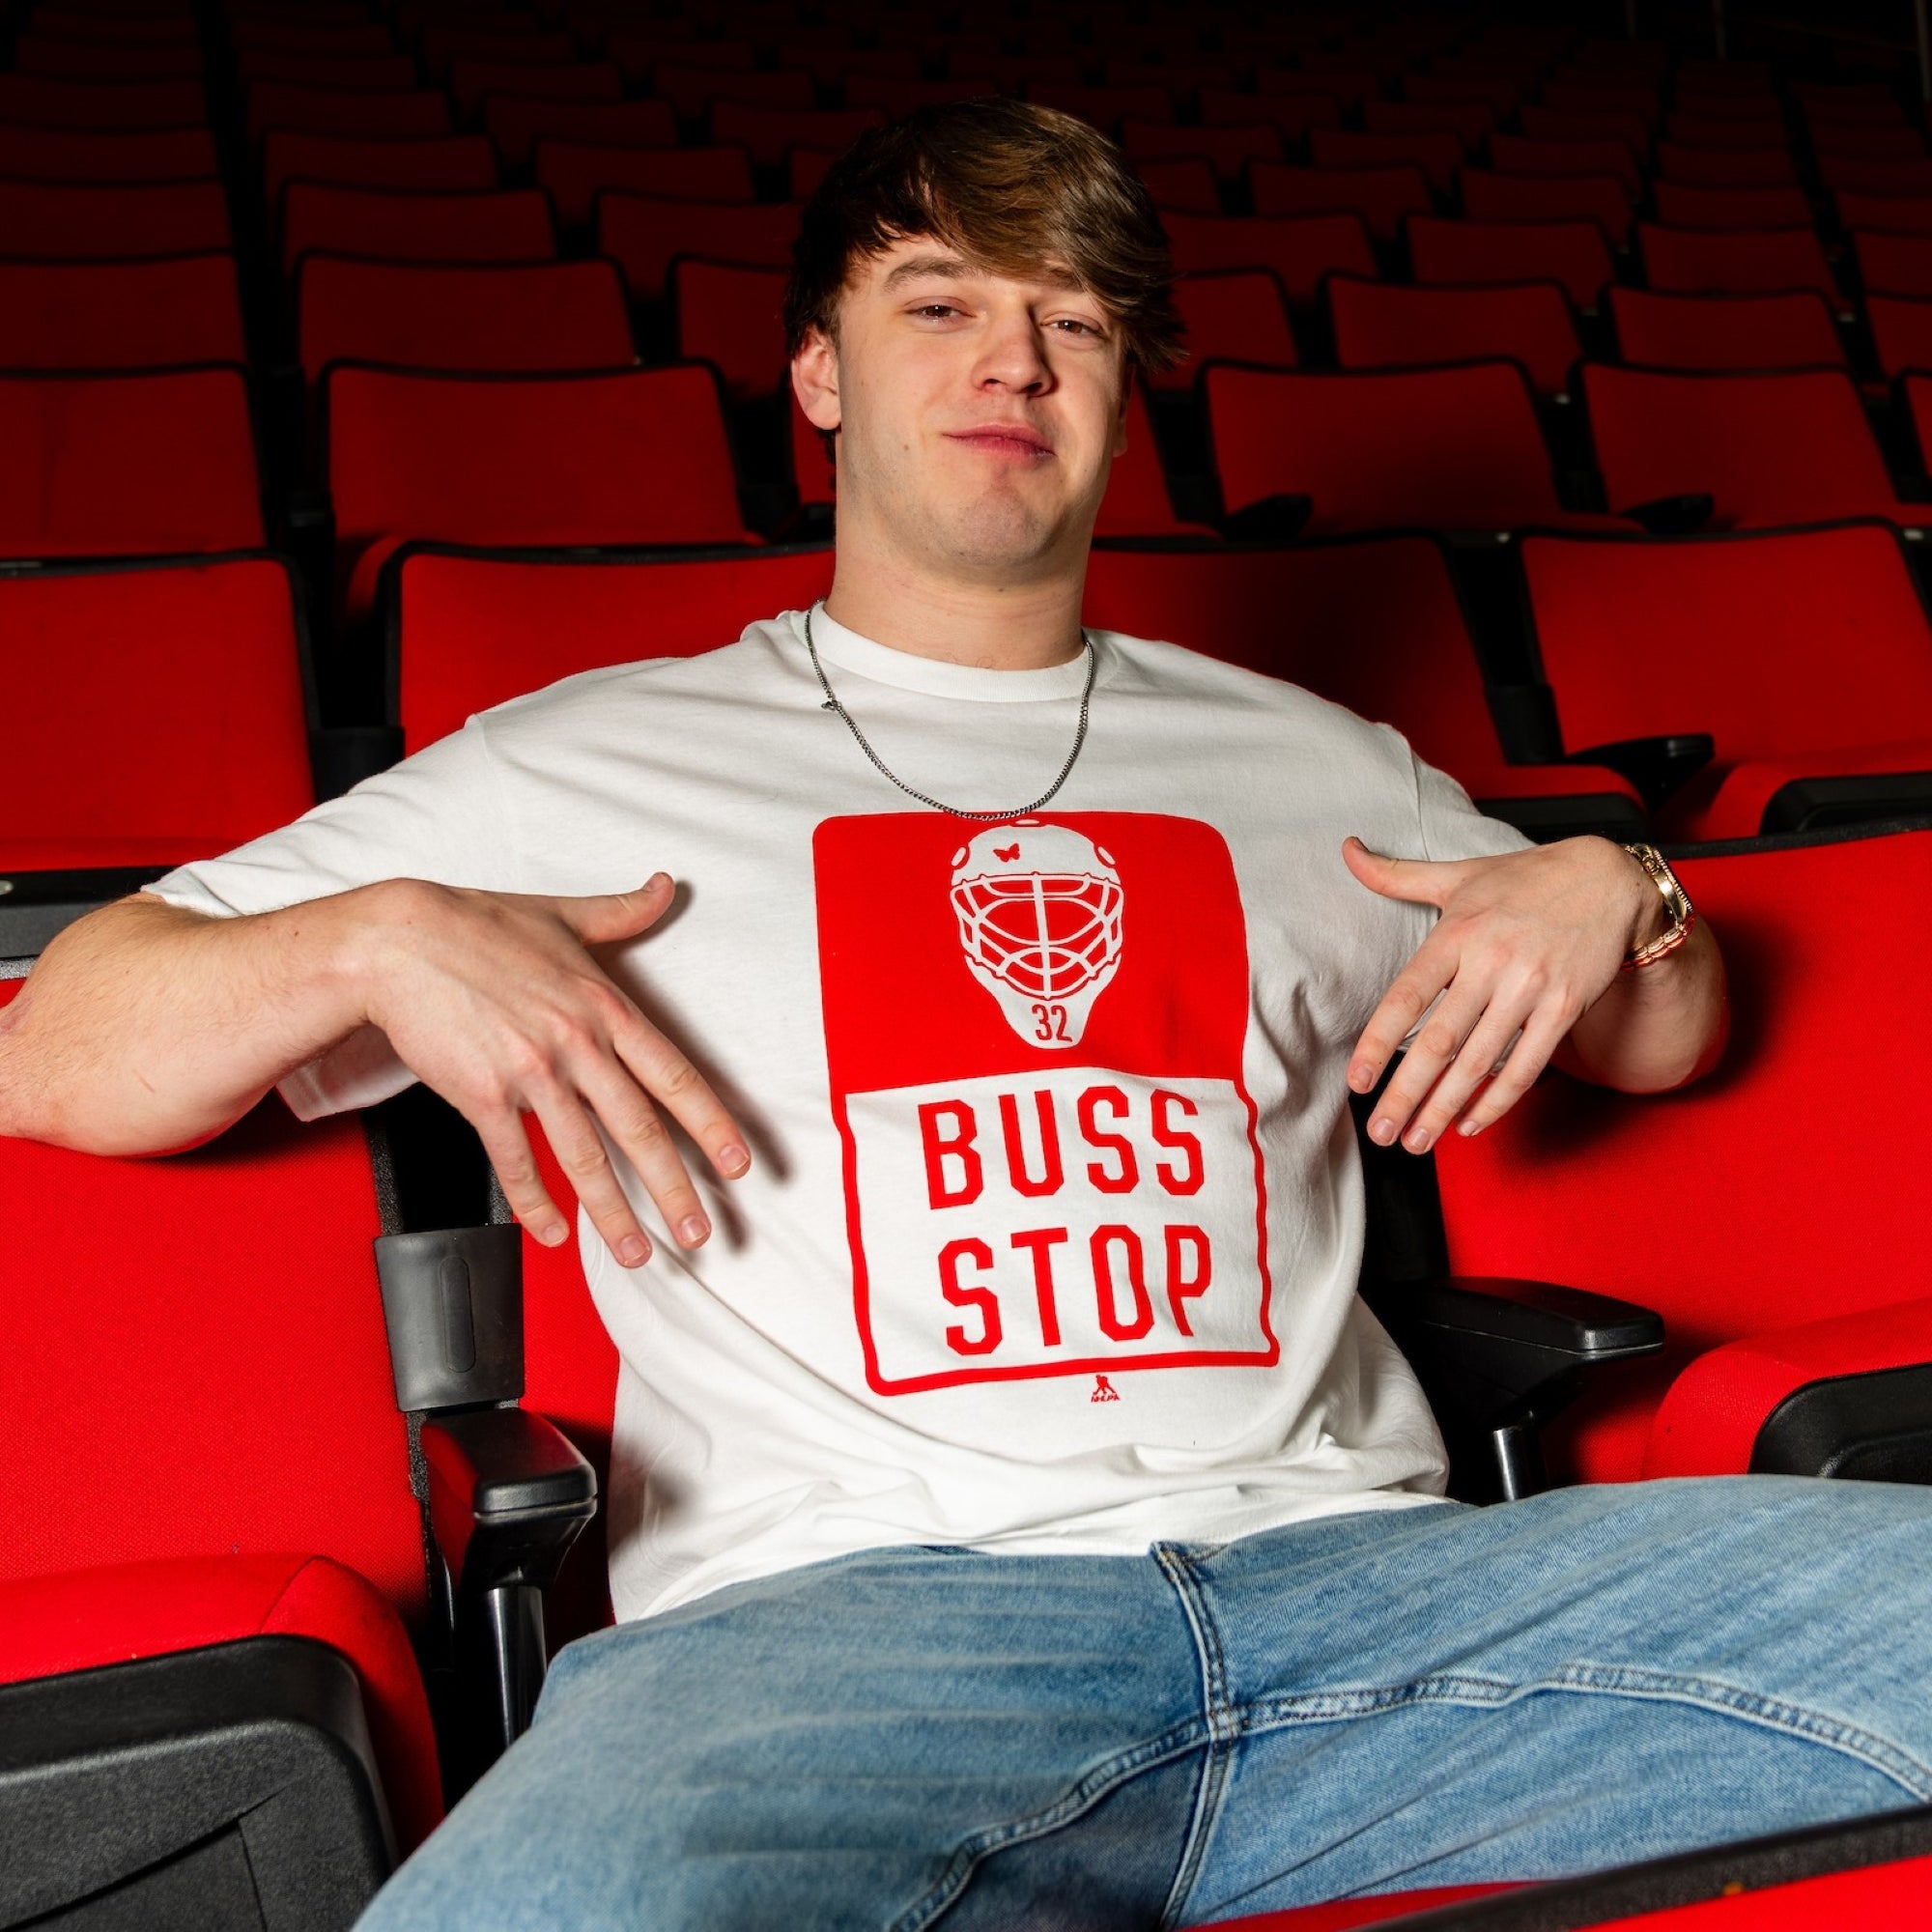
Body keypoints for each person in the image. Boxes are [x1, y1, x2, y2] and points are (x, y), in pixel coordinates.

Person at [2, 99, 1928, 1931]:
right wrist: (371, 939)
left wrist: (1627, 888)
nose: (1011, 361)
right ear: (819, 372)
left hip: (1382, 1602)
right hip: (830, 1645)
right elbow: (48, 1045)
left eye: (1068, 322)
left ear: (1115, 393)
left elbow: (1660, 1043)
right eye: (938, 304)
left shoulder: (1312, 759)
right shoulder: (579, 765)